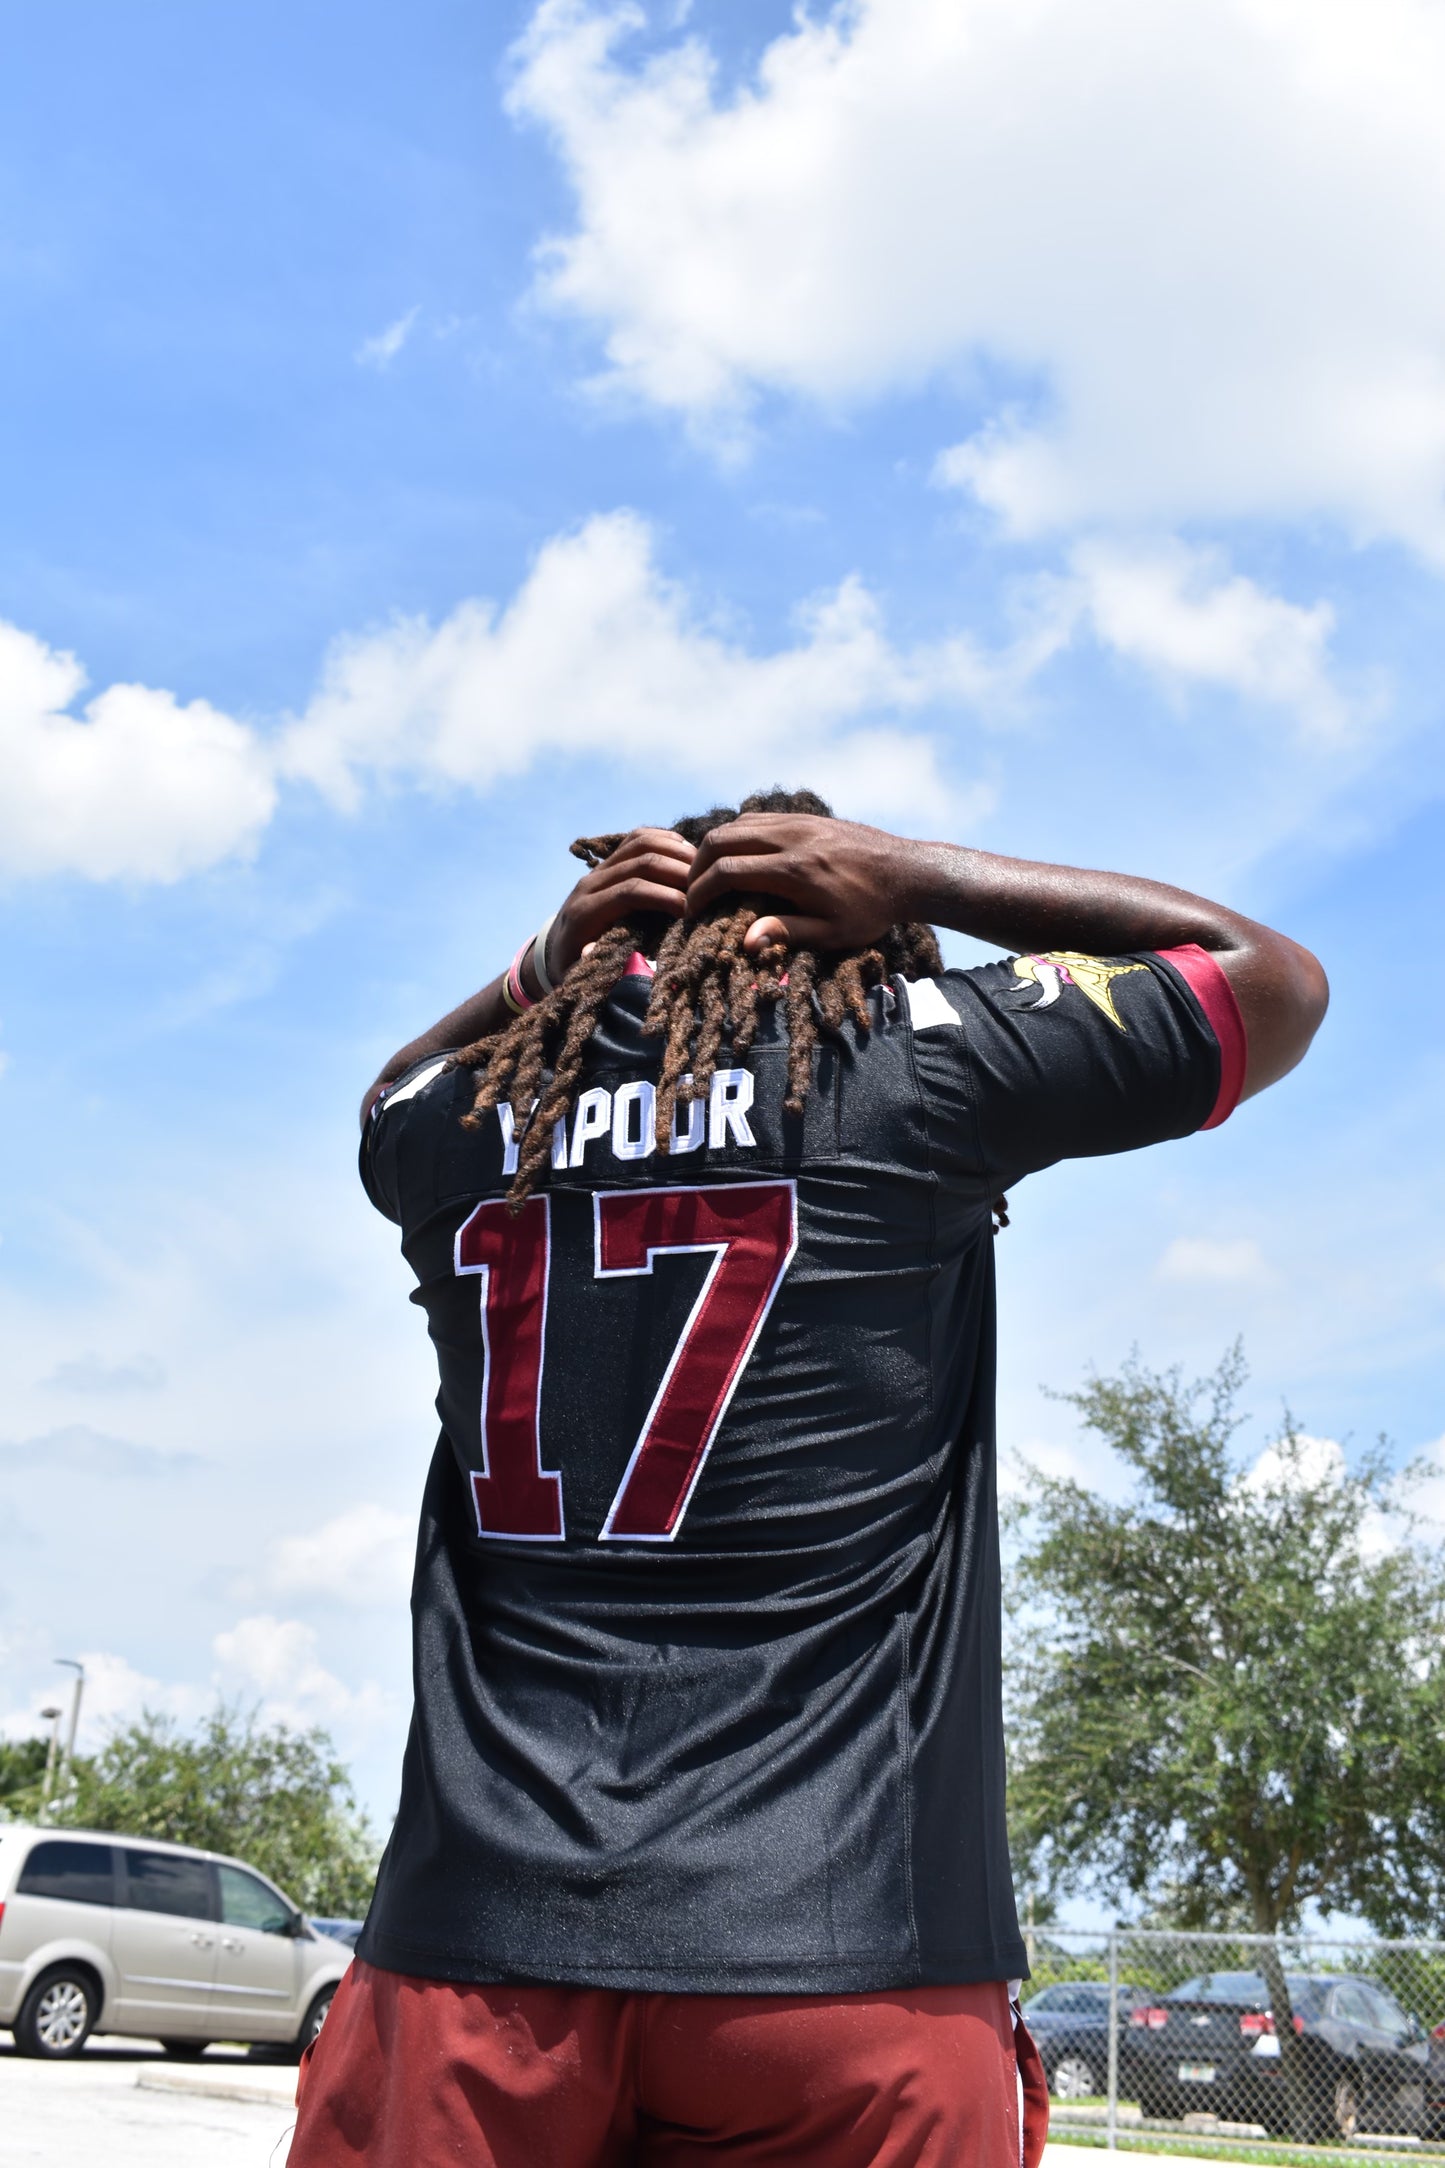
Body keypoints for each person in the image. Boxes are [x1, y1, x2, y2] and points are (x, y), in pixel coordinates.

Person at [289, 790, 1327, 2168]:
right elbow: (1274, 980)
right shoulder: (913, 1067)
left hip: (474, 1951)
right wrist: (918, 874)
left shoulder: (472, 1122)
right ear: (857, 926)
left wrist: (538, 969)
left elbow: (383, 1101)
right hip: (846, 1954)